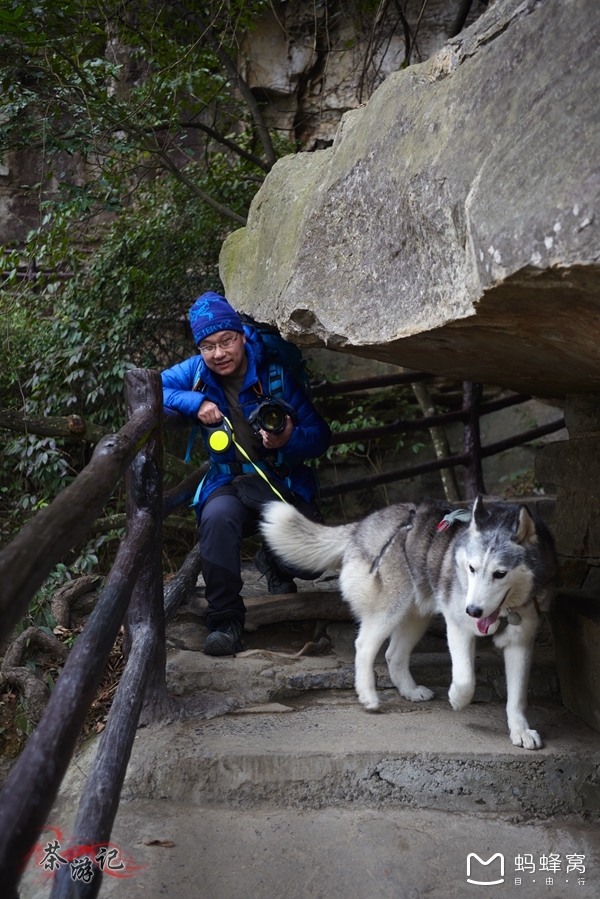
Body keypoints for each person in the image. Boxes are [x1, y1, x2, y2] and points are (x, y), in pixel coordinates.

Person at [161, 292, 331, 657]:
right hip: (228, 480)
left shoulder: (274, 375)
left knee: (310, 563)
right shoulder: (196, 373)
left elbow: (320, 437)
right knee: (216, 519)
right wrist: (195, 402)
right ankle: (226, 622)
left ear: (240, 335)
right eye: (208, 346)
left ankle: (274, 560)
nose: (218, 353)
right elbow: (152, 388)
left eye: (226, 341)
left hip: (279, 478)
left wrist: (287, 438)